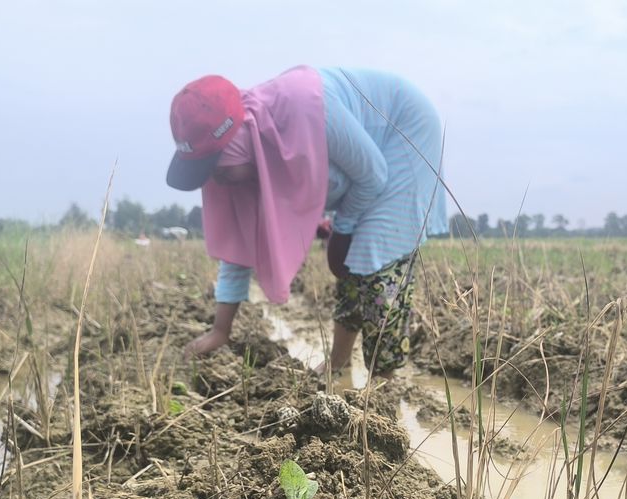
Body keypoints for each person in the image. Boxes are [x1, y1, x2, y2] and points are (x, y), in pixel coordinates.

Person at [167, 66, 447, 377]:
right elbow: (238, 248)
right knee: (353, 267)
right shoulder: (244, 162)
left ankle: (384, 383)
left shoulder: (305, 109)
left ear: (234, 143)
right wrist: (220, 331)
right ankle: (338, 365)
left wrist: (342, 231)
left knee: (374, 257)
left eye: (218, 169)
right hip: (367, 171)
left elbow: (372, 175)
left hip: (403, 131)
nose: (217, 180)